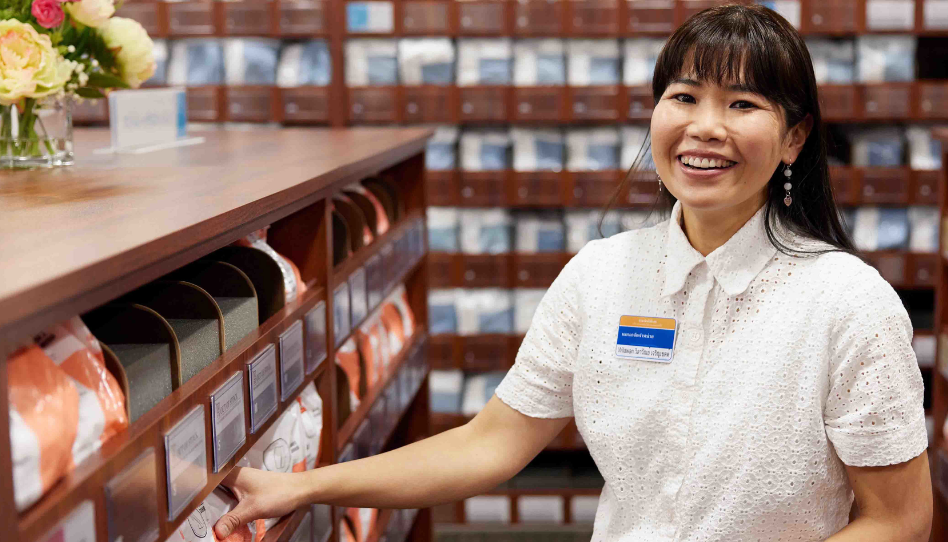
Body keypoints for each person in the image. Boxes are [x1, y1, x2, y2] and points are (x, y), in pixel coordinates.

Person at [215, 5, 933, 541]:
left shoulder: (846, 302)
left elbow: (899, 520)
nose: (704, 126)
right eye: (684, 97)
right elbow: (489, 442)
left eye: (742, 104)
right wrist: (304, 486)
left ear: (794, 138)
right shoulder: (602, 275)